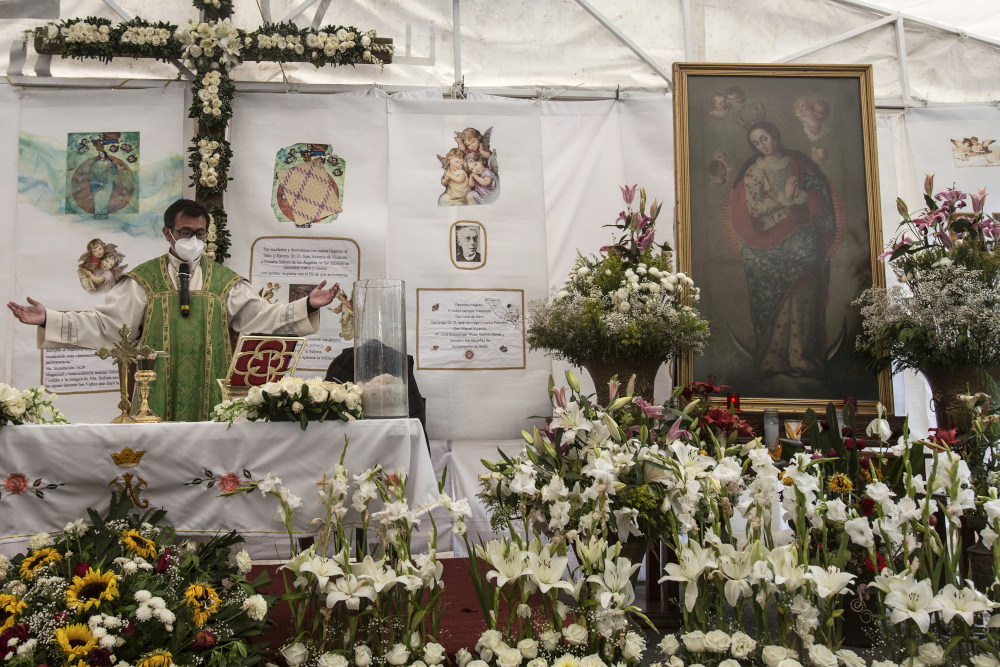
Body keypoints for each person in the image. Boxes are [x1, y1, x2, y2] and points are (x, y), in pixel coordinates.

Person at [8, 199, 341, 422]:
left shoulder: (225, 282)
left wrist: (307, 305)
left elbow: (262, 318)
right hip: (155, 393)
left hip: (214, 390)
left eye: (199, 233)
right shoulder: (144, 280)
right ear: (168, 232)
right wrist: (49, 318)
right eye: (185, 232)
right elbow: (107, 325)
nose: (193, 239)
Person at [721, 120, 844, 377]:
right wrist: (784, 199)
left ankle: (800, 355)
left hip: (804, 238)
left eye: (764, 138)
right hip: (769, 243)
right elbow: (753, 209)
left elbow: (820, 191)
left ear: (775, 137)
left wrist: (802, 198)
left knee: (805, 290)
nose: (761, 145)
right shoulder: (755, 171)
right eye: (756, 142)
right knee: (780, 296)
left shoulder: (797, 162)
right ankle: (773, 357)